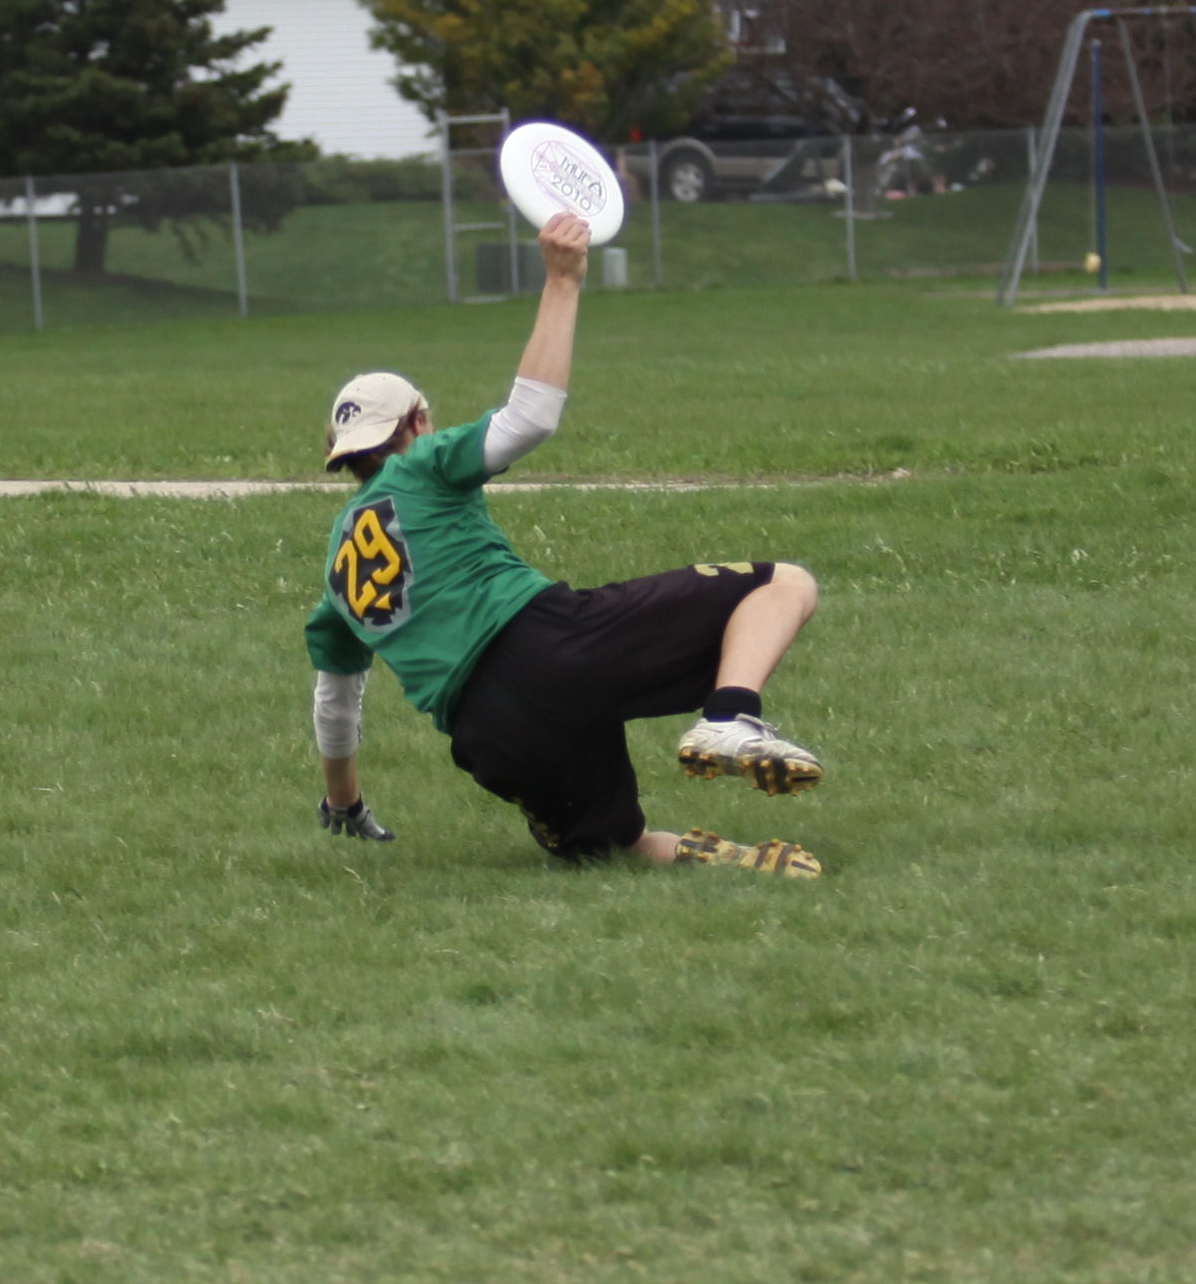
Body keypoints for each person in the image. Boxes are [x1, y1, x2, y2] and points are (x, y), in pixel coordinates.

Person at [304, 212, 826, 878]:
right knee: (783, 584)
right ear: (418, 422)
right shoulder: (421, 465)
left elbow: (336, 704)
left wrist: (344, 803)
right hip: (548, 647)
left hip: (489, 735)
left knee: (611, 847)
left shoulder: (336, 574)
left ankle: (741, 866)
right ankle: (730, 717)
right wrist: (562, 279)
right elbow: (529, 418)